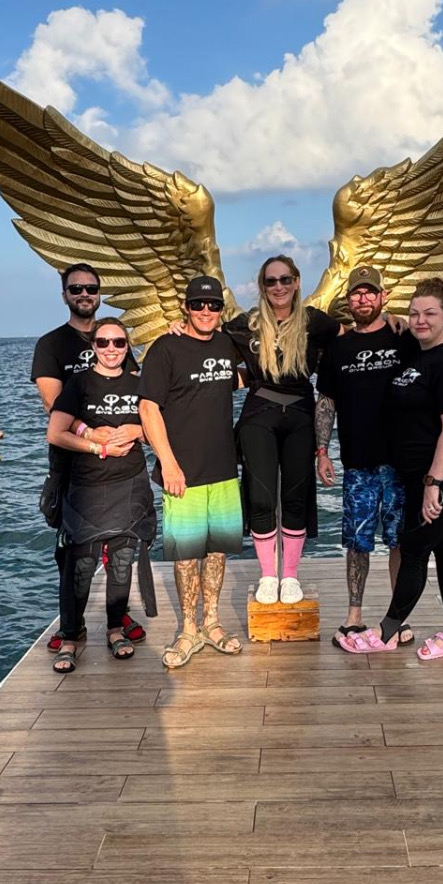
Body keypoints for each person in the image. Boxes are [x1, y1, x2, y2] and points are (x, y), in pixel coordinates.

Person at [336, 277, 443, 660]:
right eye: (414, 313)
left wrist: (434, 482)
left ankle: (387, 632)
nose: (420, 320)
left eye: (430, 313)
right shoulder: (417, 353)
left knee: (413, 548)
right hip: (417, 475)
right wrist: (392, 319)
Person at [30, 262, 146, 649]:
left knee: (119, 549)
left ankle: (117, 615)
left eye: (91, 289)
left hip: (119, 466)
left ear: (99, 294)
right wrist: (91, 434)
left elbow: (135, 395)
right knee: (73, 552)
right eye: (76, 288)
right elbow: (53, 403)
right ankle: (71, 625)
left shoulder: (116, 339)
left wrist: (133, 432)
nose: (84, 294)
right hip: (72, 463)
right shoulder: (52, 344)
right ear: (64, 294)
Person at [138, 275, 247, 669]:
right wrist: (168, 463)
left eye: (213, 305)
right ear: (185, 307)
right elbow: (148, 407)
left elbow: (258, 359)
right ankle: (188, 630)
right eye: (197, 304)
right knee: (186, 556)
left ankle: (212, 624)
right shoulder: (165, 348)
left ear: (221, 309)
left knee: (216, 551)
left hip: (223, 469)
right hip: (181, 472)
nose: (205, 311)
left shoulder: (227, 343)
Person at [224, 255, 339, 605]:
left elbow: (355, 339)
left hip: (301, 414)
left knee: (294, 497)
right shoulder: (247, 324)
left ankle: (289, 575)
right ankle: (267, 576)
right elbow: (206, 344)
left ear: (297, 282)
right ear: (262, 286)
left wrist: (393, 322)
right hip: (259, 413)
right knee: (261, 497)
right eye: (271, 281)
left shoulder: (315, 322)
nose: (279, 287)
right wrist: (178, 328)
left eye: (285, 279)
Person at [315, 265, 419, 647]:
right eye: (357, 293)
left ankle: (397, 616)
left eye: (369, 292)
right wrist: (322, 451)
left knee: (399, 541)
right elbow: (326, 402)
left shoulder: (403, 338)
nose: (363, 298)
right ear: (348, 300)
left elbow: (433, 366)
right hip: (357, 462)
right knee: (357, 542)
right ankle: (354, 616)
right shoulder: (337, 348)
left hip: (400, 462)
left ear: (383, 297)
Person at [46, 320, 156, 670]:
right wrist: (97, 446)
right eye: (104, 342)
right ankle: (71, 636)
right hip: (87, 486)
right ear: (93, 346)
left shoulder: (140, 384)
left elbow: (159, 431)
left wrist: (137, 430)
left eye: (119, 342)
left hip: (131, 483)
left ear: (127, 346)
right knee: (80, 564)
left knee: (122, 561)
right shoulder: (79, 383)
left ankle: (114, 629)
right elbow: (56, 433)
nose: (111, 349)